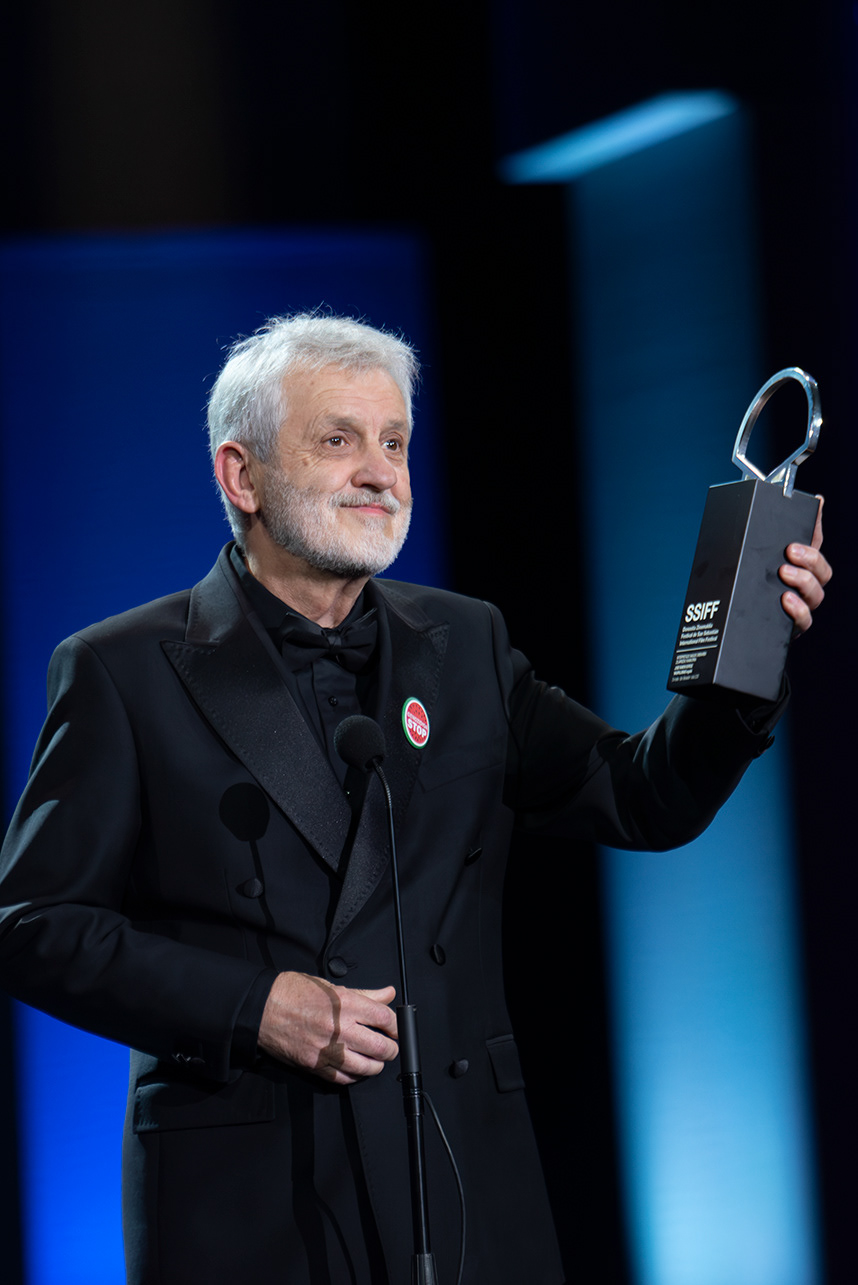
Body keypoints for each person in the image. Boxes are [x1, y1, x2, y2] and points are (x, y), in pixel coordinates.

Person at [0, 315, 831, 1285]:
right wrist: (255, 1005)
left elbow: (642, 796)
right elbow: (35, 924)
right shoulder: (124, 670)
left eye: (394, 441)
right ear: (241, 475)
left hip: (464, 1180)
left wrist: (748, 654)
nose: (379, 472)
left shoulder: (465, 641)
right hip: (255, 1201)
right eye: (338, 439)